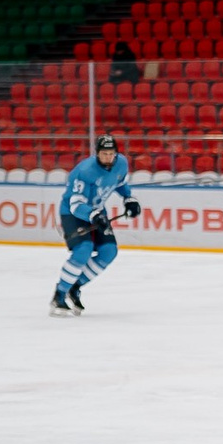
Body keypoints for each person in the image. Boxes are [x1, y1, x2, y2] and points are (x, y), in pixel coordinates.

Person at [51, 132, 138, 316]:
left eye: (111, 153)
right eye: (104, 154)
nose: (108, 157)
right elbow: (76, 205)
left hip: (97, 211)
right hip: (74, 213)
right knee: (84, 249)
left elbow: (120, 182)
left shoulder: (121, 163)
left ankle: (75, 286)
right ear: (97, 153)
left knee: (109, 251)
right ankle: (59, 295)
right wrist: (92, 214)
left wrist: (128, 198)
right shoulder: (84, 171)